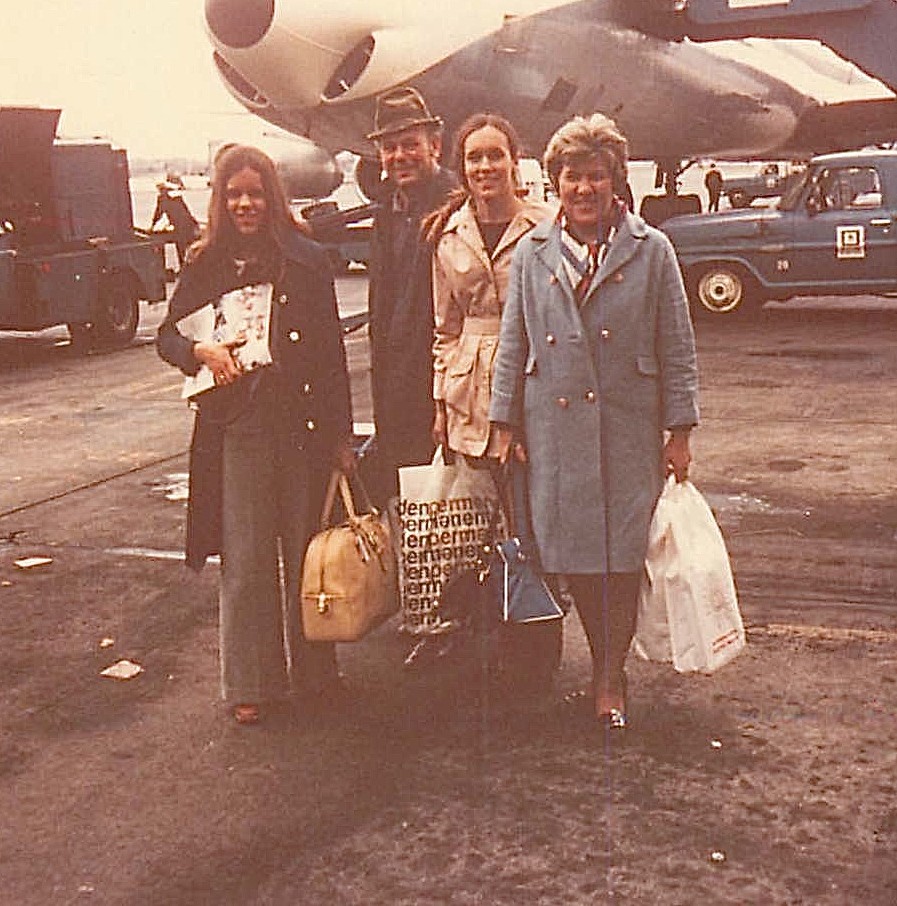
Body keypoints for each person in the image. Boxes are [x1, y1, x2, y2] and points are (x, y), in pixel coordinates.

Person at [489, 114, 699, 731]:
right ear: (555, 182)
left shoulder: (651, 249)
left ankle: (609, 673)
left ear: (616, 180)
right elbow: (513, 338)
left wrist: (680, 430)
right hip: (552, 428)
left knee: (622, 555)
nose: (584, 189)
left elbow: (677, 343)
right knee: (574, 554)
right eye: (572, 177)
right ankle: (603, 658)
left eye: (596, 177)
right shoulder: (532, 252)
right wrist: (505, 421)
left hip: (628, 425)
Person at [156, 145, 354, 725]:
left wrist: (341, 438)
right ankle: (252, 681)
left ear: (273, 198)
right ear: (220, 201)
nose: (245, 204)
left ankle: (317, 674)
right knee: (244, 558)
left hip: (301, 428)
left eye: (256, 193)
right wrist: (199, 350)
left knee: (306, 553)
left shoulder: (307, 260)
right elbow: (167, 337)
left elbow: (331, 356)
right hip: (235, 430)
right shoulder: (203, 262)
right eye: (234, 194)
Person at [423, 113, 559, 688]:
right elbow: (444, 326)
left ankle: (535, 655)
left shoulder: (546, 228)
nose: (485, 167)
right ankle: (482, 650)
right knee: (474, 526)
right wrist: (439, 401)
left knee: (533, 526)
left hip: (533, 381)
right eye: (474, 158)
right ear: (462, 167)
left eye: (494, 156)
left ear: (514, 161)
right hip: (467, 395)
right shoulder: (447, 233)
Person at [365, 86, 457, 503]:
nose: (399, 156)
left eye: (409, 145)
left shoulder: (457, 206)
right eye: (390, 148)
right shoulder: (388, 214)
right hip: (395, 394)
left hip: (445, 396)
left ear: (434, 145)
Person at [150, 181, 200, 267]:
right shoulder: (177, 198)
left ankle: (184, 267)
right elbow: (186, 213)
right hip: (188, 225)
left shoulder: (163, 199)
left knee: (181, 248)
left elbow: (158, 214)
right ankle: (189, 266)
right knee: (187, 247)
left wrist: (152, 225)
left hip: (181, 228)